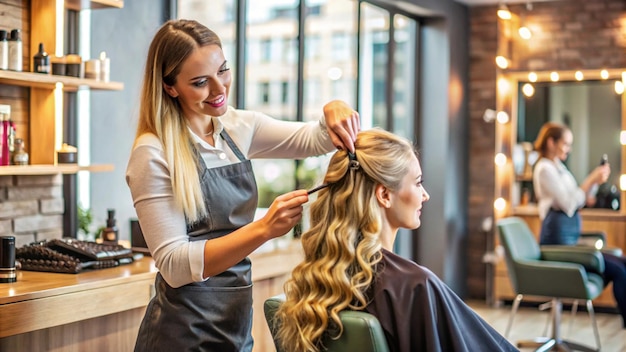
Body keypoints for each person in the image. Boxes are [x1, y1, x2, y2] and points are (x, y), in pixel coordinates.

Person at [125, 19, 360, 352]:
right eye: (200, 82)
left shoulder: (236, 127)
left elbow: (317, 138)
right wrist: (263, 229)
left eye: (223, 71)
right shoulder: (153, 152)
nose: (220, 90)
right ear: (170, 86)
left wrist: (334, 108)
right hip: (180, 335)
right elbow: (175, 266)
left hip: (235, 328)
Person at [275, 128, 518, 352]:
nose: (426, 195)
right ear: (384, 195)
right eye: (418, 182)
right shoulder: (415, 285)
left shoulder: (315, 282)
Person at [533, 121, 626, 327]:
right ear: (551, 142)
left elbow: (580, 199)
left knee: (622, 262)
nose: (569, 148)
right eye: (566, 143)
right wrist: (589, 180)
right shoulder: (544, 169)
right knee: (618, 271)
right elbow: (568, 204)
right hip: (556, 244)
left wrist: (594, 183)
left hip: (570, 240)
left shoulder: (561, 169)